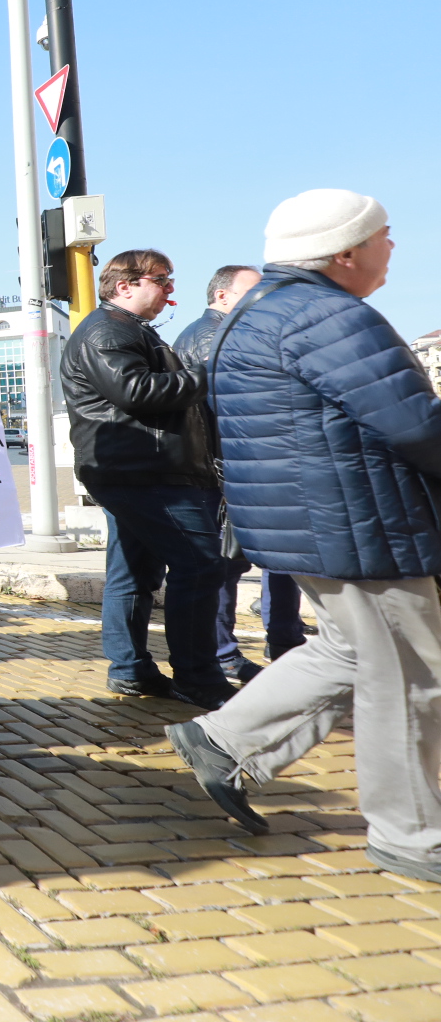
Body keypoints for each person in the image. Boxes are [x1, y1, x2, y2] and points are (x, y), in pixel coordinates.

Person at [167, 189, 441, 884]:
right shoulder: (329, 316)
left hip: (315, 522)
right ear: (344, 252)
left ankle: (224, 740)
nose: (393, 248)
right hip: (362, 523)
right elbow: (415, 424)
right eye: (385, 236)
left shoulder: (262, 313)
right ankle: (413, 836)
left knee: (351, 652)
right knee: (411, 676)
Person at [61, 249, 236, 710]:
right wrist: (210, 374)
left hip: (139, 469)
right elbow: (136, 391)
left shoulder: (126, 329)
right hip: (144, 471)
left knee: (133, 573)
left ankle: (131, 670)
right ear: (125, 285)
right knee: (200, 565)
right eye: (162, 280)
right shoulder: (107, 330)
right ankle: (198, 677)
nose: (170, 290)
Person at [173, 265, 307, 681]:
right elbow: (240, 406)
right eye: (253, 291)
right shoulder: (212, 337)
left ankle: (283, 640)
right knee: (227, 567)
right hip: (230, 471)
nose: (262, 299)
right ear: (223, 296)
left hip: (248, 467)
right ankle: (227, 653)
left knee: (278, 560)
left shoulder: (227, 334)